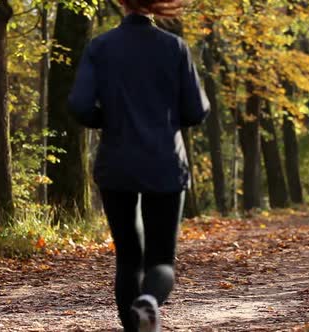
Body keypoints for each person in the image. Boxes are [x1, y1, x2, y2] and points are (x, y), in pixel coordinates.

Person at [67, 0, 210, 331]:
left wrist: (109, 119)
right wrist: (168, 116)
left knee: (129, 256)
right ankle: (149, 302)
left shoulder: (100, 47)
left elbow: (79, 105)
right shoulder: (174, 47)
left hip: (117, 163)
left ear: (121, 2)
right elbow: (197, 110)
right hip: (165, 164)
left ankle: (134, 325)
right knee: (160, 260)